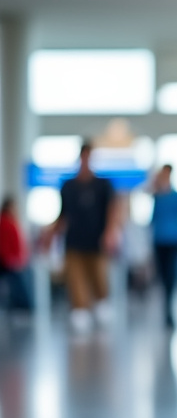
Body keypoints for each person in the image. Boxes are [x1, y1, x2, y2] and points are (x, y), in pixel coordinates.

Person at [40, 142, 122, 332]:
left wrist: (110, 232)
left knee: (99, 275)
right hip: (74, 240)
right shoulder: (68, 186)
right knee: (75, 277)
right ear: (80, 158)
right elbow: (63, 214)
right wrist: (50, 235)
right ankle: (79, 309)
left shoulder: (103, 185)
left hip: (97, 240)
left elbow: (112, 210)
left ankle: (102, 303)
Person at [149, 165, 177, 327]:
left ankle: (169, 311)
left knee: (172, 277)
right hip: (159, 242)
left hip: (174, 241)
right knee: (162, 277)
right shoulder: (157, 197)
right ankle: (166, 310)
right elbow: (152, 221)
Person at [1, 194, 35, 312]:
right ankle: (21, 308)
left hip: (15, 259)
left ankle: (22, 307)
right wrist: (10, 259)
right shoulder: (5, 223)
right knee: (19, 284)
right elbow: (4, 243)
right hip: (9, 262)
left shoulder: (11, 221)